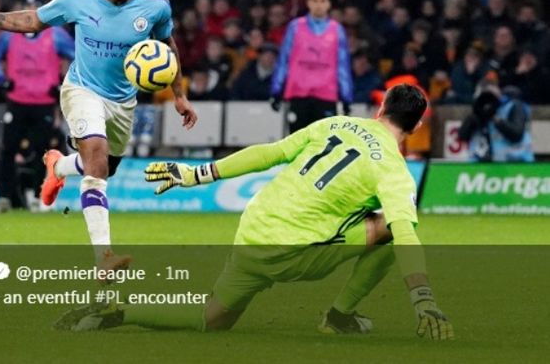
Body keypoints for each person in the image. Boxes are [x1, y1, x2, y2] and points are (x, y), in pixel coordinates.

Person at [56, 84, 454, 341]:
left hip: (254, 227)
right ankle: (339, 316)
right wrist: (423, 299)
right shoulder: (394, 168)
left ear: (380, 107)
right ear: (418, 125)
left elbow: (269, 153)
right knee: (389, 228)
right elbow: (406, 234)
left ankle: (116, 313)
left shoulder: (338, 124)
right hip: (295, 249)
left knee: (214, 319)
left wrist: (198, 174)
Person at [0, 0, 198, 272]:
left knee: (104, 169)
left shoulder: (156, 5)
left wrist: (179, 95)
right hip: (81, 90)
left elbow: (167, 46)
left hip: (123, 101)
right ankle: (104, 259)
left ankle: (59, 167)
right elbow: (32, 21)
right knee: (95, 154)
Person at [0, 0, 75, 212]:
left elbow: (77, 56)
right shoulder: (10, 35)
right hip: (17, 100)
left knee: (42, 151)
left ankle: (38, 197)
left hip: (44, 102)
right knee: (8, 149)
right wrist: (2, 81)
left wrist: (63, 84)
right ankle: (4, 198)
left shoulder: (55, 35)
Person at [270, 0, 353, 133]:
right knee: (296, 143)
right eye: (314, 0)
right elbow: (284, 60)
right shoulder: (295, 27)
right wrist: (276, 90)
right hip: (298, 93)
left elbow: (342, 65)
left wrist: (346, 96)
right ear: (308, 3)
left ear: (329, 4)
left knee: (323, 144)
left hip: (326, 94)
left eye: (322, 0)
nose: (318, 5)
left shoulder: (336, 30)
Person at [458, 82, 534, 162]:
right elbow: (462, 136)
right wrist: (477, 114)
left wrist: (496, 119)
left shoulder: (513, 106)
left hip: (517, 161)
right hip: (485, 164)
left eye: (491, 96)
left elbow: (517, 135)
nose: (488, 101)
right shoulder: (478, 113)